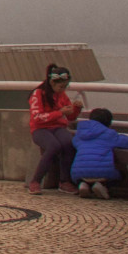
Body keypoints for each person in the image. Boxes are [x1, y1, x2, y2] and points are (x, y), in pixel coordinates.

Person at [27, 63, 84, 195]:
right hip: (40, 129)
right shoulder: (38, 94)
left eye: (65, 86)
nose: (63, 89)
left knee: (68, 143)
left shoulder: (62, 95)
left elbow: (70, 118)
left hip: (58, 127)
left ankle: (64, 181)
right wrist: (59, 112)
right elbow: (37, 117)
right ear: (52, 83)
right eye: (61, 86)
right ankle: (35, 181)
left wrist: (76, 109)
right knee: (53, 146)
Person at [71, 107, 128, 200]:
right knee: (120, 175)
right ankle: (103, 186)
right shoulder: (109, 134)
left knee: (86, 172)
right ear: (109, 122)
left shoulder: (80, 135)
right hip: (103, 173)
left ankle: (83, 184)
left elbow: (74, 143)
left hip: (78, 174)